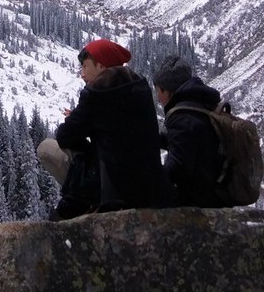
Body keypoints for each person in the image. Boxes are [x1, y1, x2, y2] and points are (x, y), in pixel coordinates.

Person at [36, 38, 170, 219]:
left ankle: (84, 206)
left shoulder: (96, 94)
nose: (82, 74)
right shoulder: (140, 87)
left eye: (85, 67)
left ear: (101, 66)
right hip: (150, 187)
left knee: (46, 149)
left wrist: (82, 125)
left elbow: (65, 136)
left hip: (111, 189)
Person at [153, 55, 228, 208]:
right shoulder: (201, 103)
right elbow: (190, 142)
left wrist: (151, 177)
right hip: (215, 191)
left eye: (158, 91)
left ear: (166, 91)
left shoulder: (182, 116)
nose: (157, 97)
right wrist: (156, 139)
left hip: (197, 201)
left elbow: (178, 167)